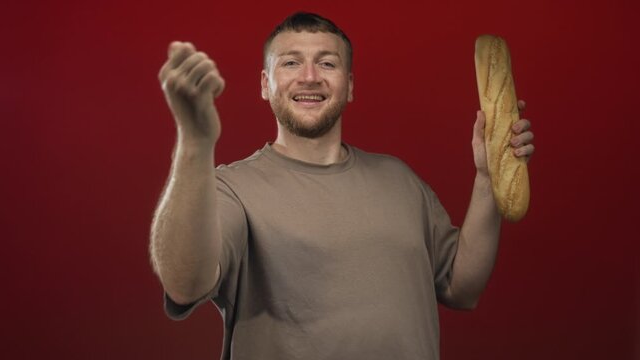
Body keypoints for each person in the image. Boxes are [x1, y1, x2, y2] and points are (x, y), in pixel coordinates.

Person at [150, 12, 534, 360]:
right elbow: (185, 284)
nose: (310, 76)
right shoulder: (231, 188)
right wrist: (195, 144)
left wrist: (487, 179)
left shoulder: (399, 179)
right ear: (266, 85)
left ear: (348, 86)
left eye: (327, 63)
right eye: (291, 62)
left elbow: (462, 287)